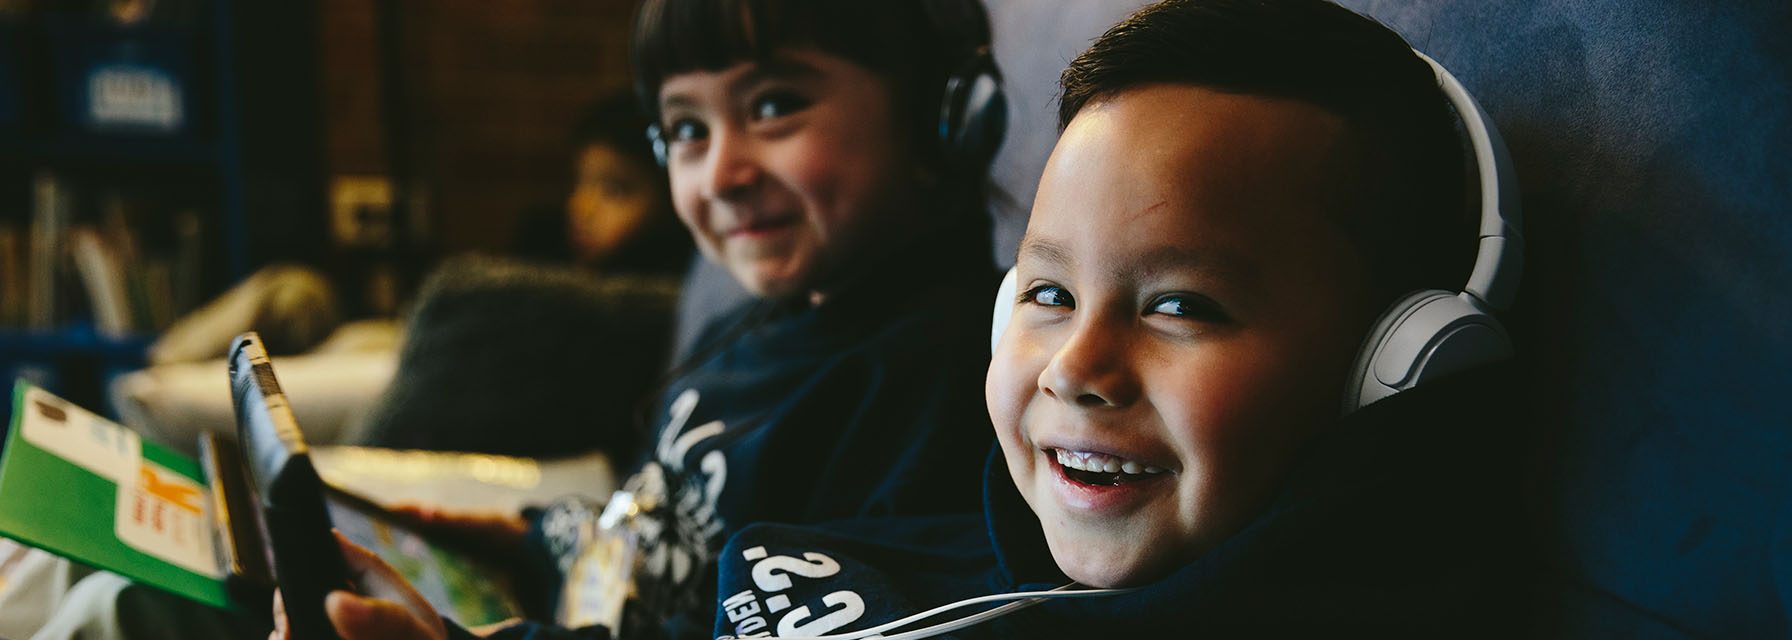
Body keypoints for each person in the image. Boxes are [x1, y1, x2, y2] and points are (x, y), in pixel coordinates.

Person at [704, 0, 1533, 637]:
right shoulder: (945, 537)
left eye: (1180, 307)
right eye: (1049, 295)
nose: (1074, 368)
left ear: (1394, 365)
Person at [286, 0, 1010, 638]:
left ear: (938, 113)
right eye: (688, 127)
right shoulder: (762, 323)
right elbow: (663, 528)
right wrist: (529, 543)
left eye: (772, 106)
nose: (722, 173)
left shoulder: (942, 380)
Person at [508, 92, 694, 279]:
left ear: (669, 198)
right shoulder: (535, 263)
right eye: (577, 183)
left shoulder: (688, 290)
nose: (581, 208)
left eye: (613, 191)